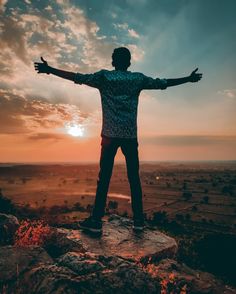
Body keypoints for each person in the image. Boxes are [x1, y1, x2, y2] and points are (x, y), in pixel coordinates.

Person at [34, 47, 202, 233]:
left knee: (104, 177)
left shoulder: (104, 77)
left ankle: (96, 221)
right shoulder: (138, 79)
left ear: (113, 62)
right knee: (134, 178)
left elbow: (77, 77)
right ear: (129, 63)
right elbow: (162, 83)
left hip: (109, 137)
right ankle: (139, 222)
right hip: (130, 136)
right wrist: (188, 79)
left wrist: (50, 70)